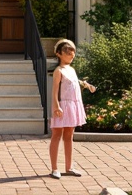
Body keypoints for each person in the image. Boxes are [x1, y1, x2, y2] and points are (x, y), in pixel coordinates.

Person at [48, 38, 93, 179]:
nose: (71, 55)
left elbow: (75, 82)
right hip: (62, 106)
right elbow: (55, 91)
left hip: (73, 105)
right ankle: (55, 168)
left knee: (69, 136)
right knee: (56, 135)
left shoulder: (71, 70)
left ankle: (69, 167)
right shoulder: (58, 70)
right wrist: (56, 106)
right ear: (59, 54)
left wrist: (86, 85)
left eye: (72, 52)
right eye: (67, 52)